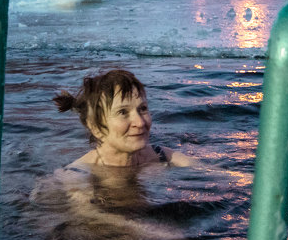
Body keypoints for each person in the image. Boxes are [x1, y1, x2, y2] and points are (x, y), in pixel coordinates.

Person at [53, 68, 195, 174]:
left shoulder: (162, 156)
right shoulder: (78, 175)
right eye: (122, 112)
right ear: (95, 127)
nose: (140, 122)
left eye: (143, 109)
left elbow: (211, 175)